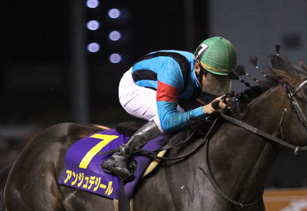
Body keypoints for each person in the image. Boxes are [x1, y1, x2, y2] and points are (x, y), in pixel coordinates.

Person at [101, 36, 237, 180]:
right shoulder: (173, 71)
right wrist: (205, 109)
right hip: (134, 88)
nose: (217, 86)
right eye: (214, 79)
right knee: (176, 115)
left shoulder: (201, 70)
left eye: (222, 79)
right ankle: (120, 155)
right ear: (197, 67)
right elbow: (167, 121)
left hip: (171, 86)